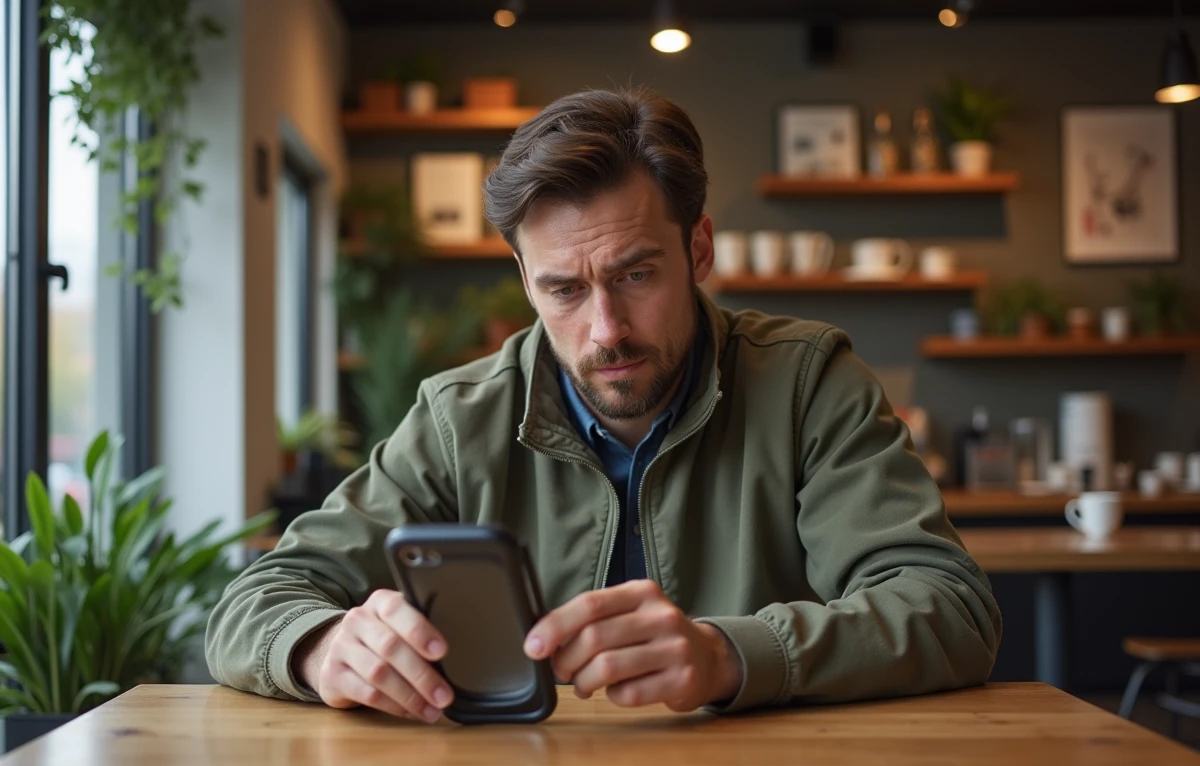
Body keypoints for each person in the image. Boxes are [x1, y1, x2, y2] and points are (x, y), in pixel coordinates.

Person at [206, 87, 1001, 724]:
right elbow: (252, 604)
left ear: (698, 250)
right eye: (563, 290)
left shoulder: (807, 384)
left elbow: (950, 608)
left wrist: (731, 654)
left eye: (635, 275)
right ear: (525, 281)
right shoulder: (458, 418)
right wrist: (321, 647)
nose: (605, 330)